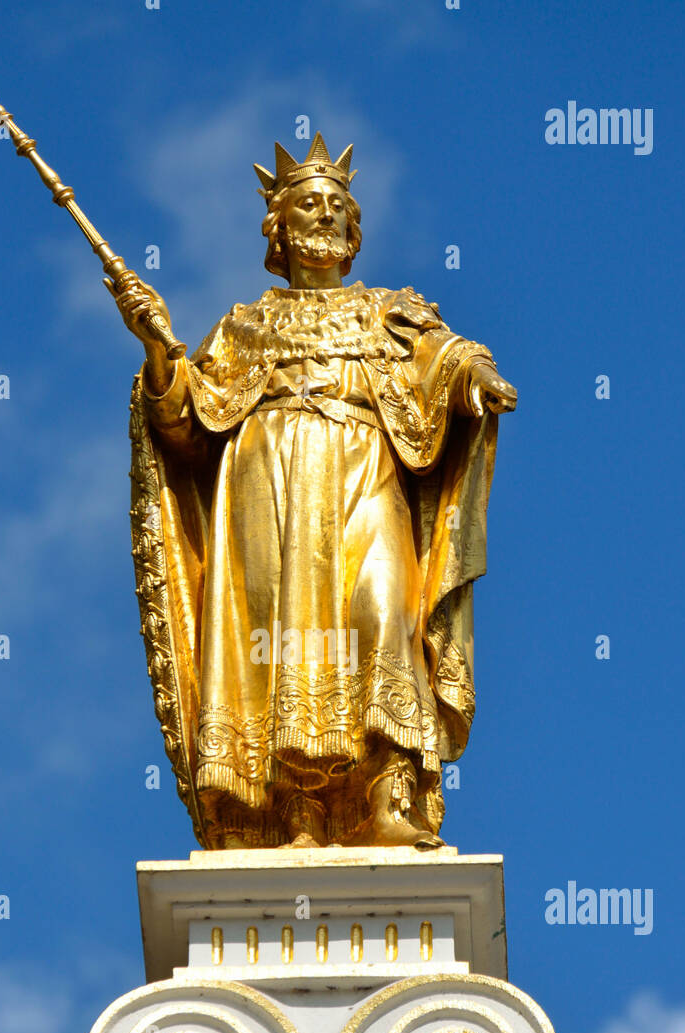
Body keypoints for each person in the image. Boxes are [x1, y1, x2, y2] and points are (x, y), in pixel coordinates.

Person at [114, 134, 516, 850]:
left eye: (338, 205)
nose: (325, 215)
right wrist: (156, 349)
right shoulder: (243, 329)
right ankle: (296, 811)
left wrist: (472, 381)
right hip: (264, 484)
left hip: (366, 475)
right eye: (308, 204)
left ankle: (388, 794)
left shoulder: (388, 313)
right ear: (279, 228)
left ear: (354, 231)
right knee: (284, 643)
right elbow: (181, 427)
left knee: (383, 612)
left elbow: (446, 355)